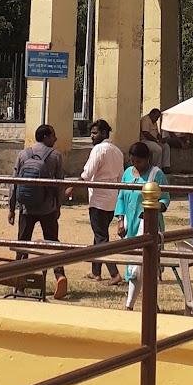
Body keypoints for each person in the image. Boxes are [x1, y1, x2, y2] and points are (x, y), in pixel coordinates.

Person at [9, 125, 68, 300]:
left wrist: (11, 208)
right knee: (52, 243)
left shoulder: (23, 154)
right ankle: (59, 275)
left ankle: (19, 283)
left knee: (23, 243)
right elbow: (59, 184)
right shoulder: (56, 156)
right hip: (47, 207)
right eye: (53, 136)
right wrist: (58, 205)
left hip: (26, 207)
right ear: (45, 137)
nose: (55, 139)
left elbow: (14, 183)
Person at [114, 141, 169, 309]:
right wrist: (120, 219)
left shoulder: (156, 175)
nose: (136, 165)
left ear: (147, 159)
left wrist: (154, 208)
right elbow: (121, 197)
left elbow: (165, 198)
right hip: (131, 224)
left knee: (147, 263)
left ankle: (133, 304)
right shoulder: (127, 174)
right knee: (133, 263)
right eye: (133, 161)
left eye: (139, 161)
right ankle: (148, 303)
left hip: (148, 224)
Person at [71, 119, 124, 282]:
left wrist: (71, 187)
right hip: (112, 200)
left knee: (101, 238)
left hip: (98, 201)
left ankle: (114, 274)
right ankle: (96, 271)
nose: (91, 137)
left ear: (103, 133)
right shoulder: (118, 151)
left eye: (94, 133)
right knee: (99, 234)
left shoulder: (98, 150)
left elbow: (87, 173)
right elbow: (120, 176)